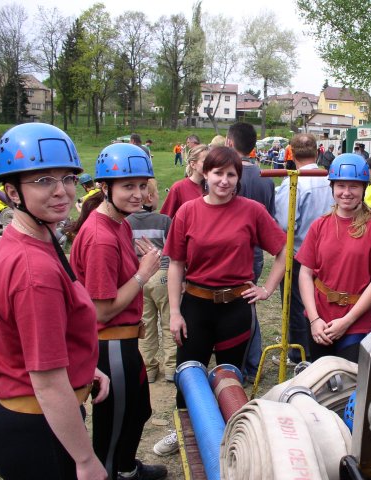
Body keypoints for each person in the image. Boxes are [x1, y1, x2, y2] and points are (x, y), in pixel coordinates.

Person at [0, 123, 110, 479]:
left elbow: (32, 337)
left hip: (29, 414)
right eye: (42, 181)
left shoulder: (26, 237)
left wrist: (82, 368)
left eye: (67, 179)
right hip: (39, 426)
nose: (62, 192)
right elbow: (48, 383)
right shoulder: (34, 271)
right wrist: (86, 460)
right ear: (12, 192)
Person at [159, 147, 286, 449]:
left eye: (231, 174)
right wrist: (175, 312)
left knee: (230, 379)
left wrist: (266, 288)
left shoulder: (251, 211)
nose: (224, 180)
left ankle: (231, 438)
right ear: (205, 173)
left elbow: (282, 252)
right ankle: (183, 431)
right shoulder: (187, 211)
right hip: (195, 306)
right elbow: (176, 263)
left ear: (238, 178)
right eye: (218, 173)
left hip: (235, 309)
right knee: (189, 374)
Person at [70, 143, 167, 480]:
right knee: (113, 426)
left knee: (138, 410)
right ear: (104, 187)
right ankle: (113, 471)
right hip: (109, 344)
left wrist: (140, 266)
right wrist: (144, 272)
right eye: (128, 186)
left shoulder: (120, 224)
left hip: (124, 342)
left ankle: (126, 468)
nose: (138, 194)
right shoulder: (101, 237)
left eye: (142, 185)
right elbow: (101, 311)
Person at [296, 154, 371, 362]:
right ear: (332, 187)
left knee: (347, 385)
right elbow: (305, 274)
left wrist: (347, 321)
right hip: (320, 319)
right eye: (341, 185)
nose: (346, 192)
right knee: (320, 383)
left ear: (363, 188)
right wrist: (315, 319)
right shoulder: (320, 225)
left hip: (356, 322)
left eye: (353, 186)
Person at [274, 133, 334, 365]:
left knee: (296, 305)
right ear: (317, 151)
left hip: (299, 254)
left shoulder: (292, 182)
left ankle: (300, 354)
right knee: (321, 300)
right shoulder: (330, 178)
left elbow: (284, 223)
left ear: (291, 152)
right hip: (328, 252)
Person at [226, 122, 276, 381]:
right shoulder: (265, 177)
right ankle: (248, 362)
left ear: (230, 144)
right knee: (248, 307)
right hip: (256, 253)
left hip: (236, 255)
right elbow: (272, 218)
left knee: (242, 309)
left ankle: (247, 363)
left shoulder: (230, 176)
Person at [127, 178, 174, 383]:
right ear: (151, 197)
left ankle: (149, 368)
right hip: (162, 274)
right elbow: (173, 251)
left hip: (139, 277)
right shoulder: (164, 221)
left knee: (145, 323)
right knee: (168, 321)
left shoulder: (125, 223)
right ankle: (172, 367)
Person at [160, 144, 208, 219]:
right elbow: (165, 219)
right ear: (193, 164)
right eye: (205, 162)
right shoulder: (178, 188)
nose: (210, 165)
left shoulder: (213, 187)